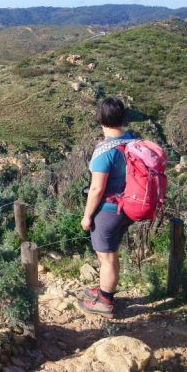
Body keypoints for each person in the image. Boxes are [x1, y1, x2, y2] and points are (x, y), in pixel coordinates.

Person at [77, 97, 135, 318]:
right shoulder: (130, 141)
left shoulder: (104, 152)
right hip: (126, 208)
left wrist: (87, 216)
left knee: (107, 257)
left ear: (100, 119)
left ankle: (105, 302)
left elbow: (96, 189)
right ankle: (104, 290)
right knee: (111, 254)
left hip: (108, 211)